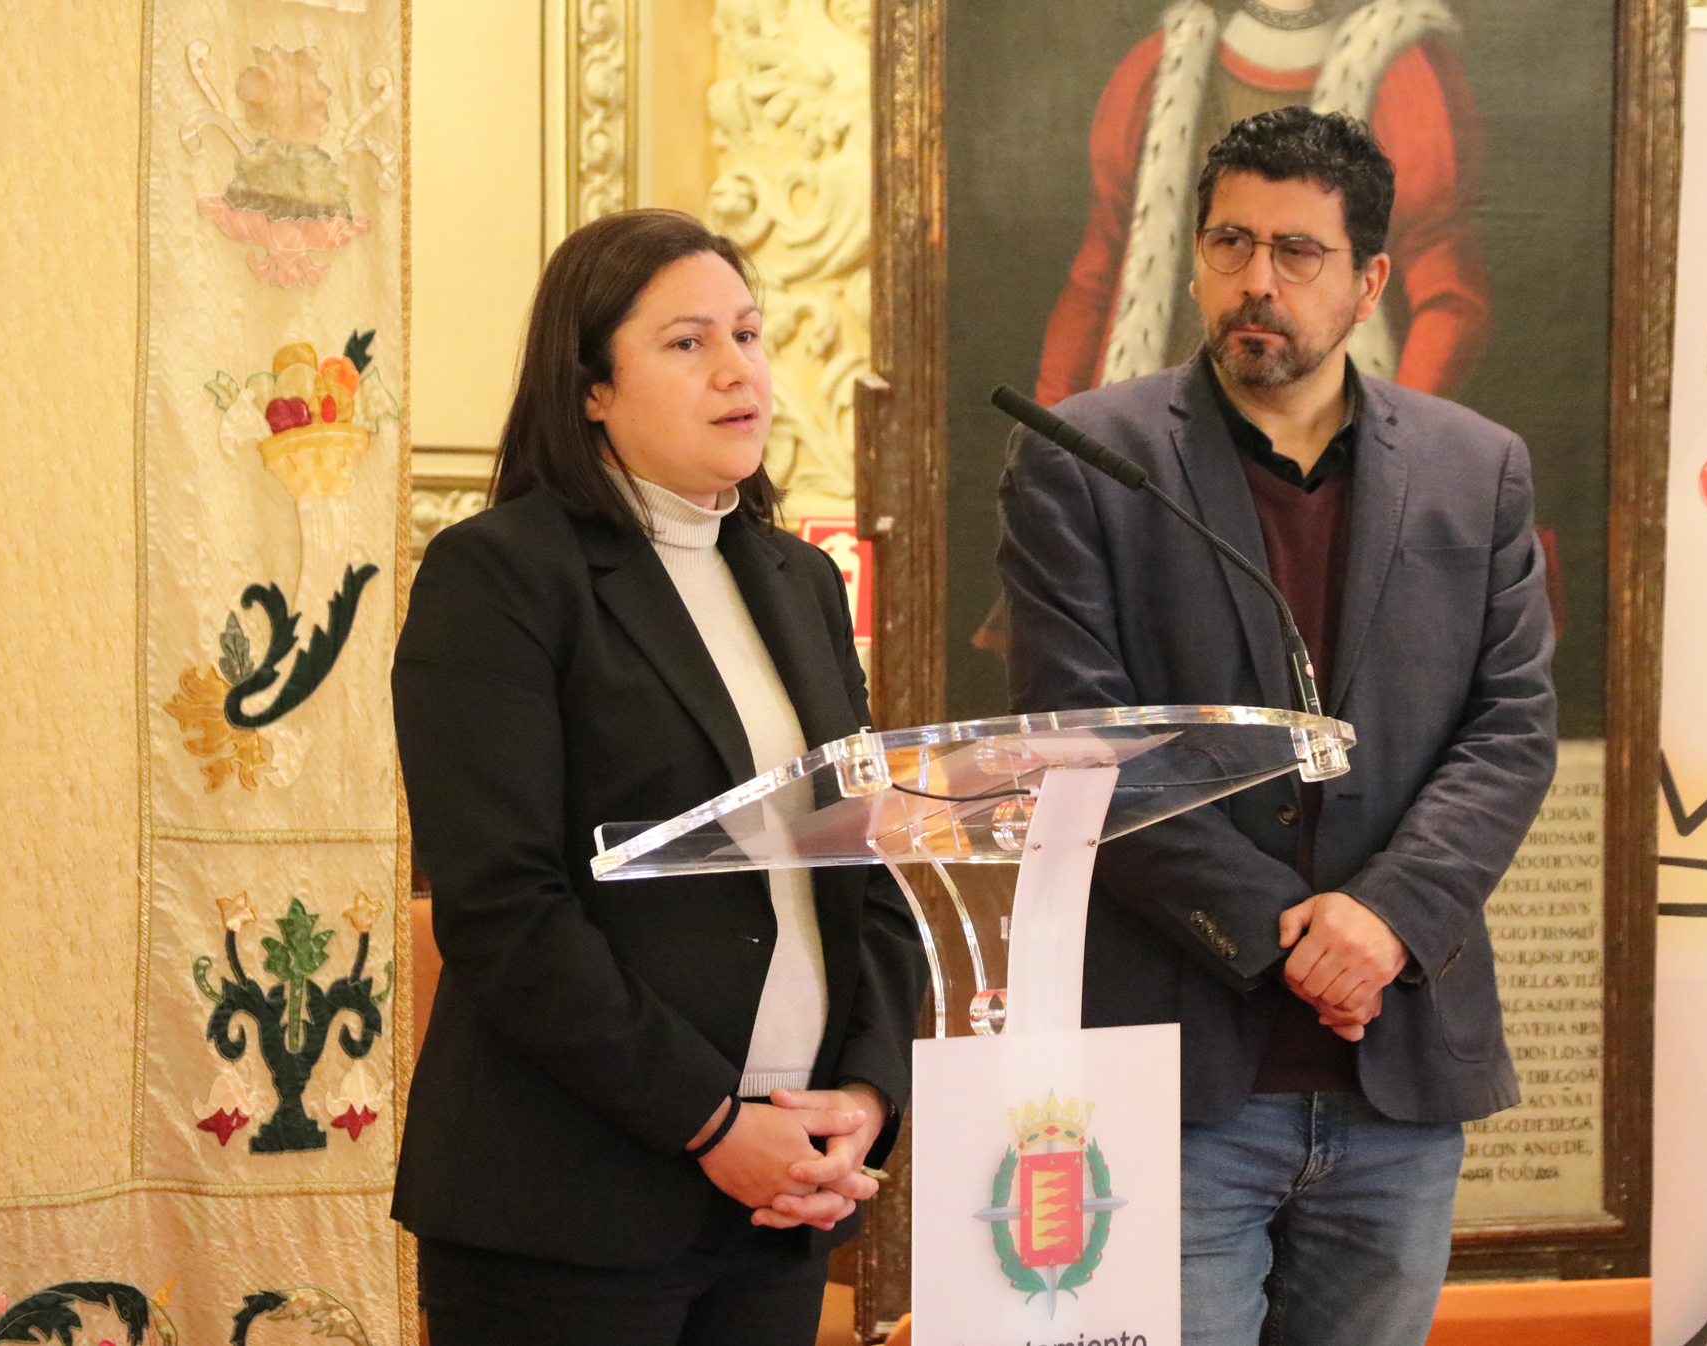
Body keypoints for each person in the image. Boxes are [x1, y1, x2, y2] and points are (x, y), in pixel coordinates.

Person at [998, 109, 1555, 1346]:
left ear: (1368, 281)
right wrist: (1289, 937)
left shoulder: (1476, 470)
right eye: (1231, 243)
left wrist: (1384, 919)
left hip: (1397, 1075)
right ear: (1197, 257)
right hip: (1179, 1073)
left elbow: (1510, 724)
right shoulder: (1087, 457)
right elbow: (1085, 739)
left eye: (1297, 252)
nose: (1258, 279)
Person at [393, 209, 927, 1345]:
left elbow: (867, 864)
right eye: (689, 343)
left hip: (783, 1189)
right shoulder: (501, 576)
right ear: (591, 386)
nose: (739, 369)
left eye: (748, 333)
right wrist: (709, 1121)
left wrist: (866, 1094)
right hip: (570, 1203)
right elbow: (502, 907)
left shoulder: (800, 582)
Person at [1036, 0, 1489, 405]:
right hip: (1157, 424)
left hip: (1325, 430)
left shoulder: (1400, 72)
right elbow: (1096, 279)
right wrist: (1051, 438)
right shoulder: (1161, 67)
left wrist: (1383, 439)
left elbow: (1449, 301)